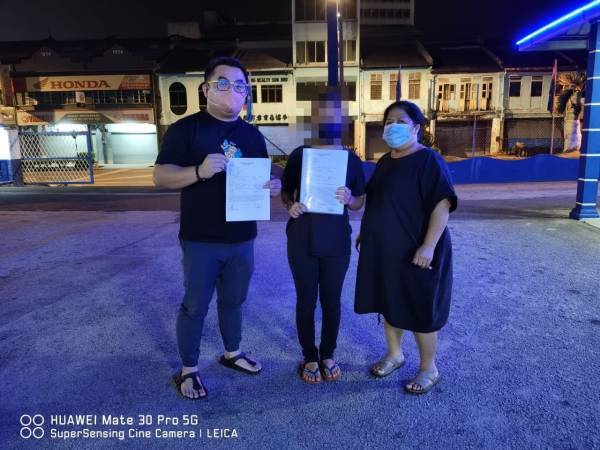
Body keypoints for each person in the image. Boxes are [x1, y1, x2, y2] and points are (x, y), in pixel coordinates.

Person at [153, 56, 281, 400]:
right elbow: (161, 176)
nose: (232, 90)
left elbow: (258, 178)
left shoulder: (252, 135)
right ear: (206, 89)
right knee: (195, 305)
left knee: (234, 300)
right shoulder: (186, 129)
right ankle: (188, 369)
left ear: (246, 93)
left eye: (240, 85)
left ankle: (232, 353)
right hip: (201, 238)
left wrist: (271, 187)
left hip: (242, 237)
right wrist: (198, 171)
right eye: (223, 83)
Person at [354, 100, 457, 395]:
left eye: (399, 121)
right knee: (390, 303)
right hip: (385, 250)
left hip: (417, 252)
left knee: (420, 310)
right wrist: (366, 231)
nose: (391, 127)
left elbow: (442, 205)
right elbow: (379, 202)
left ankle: (429, 368)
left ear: (416, 127)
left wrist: (428, 246)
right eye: (388, 121)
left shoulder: (429, 161)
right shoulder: (386, 161)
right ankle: (395, 354)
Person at [282, 145, 365, 384]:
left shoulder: (350, 158)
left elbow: (360, 201)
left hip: (336, 242)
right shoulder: (299, 154)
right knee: (305, 301)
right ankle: (309, 356)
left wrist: (350, 199)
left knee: (331, 301)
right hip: (302, 241)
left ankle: (327, 354)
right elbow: (286, 192)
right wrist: (291, 206)